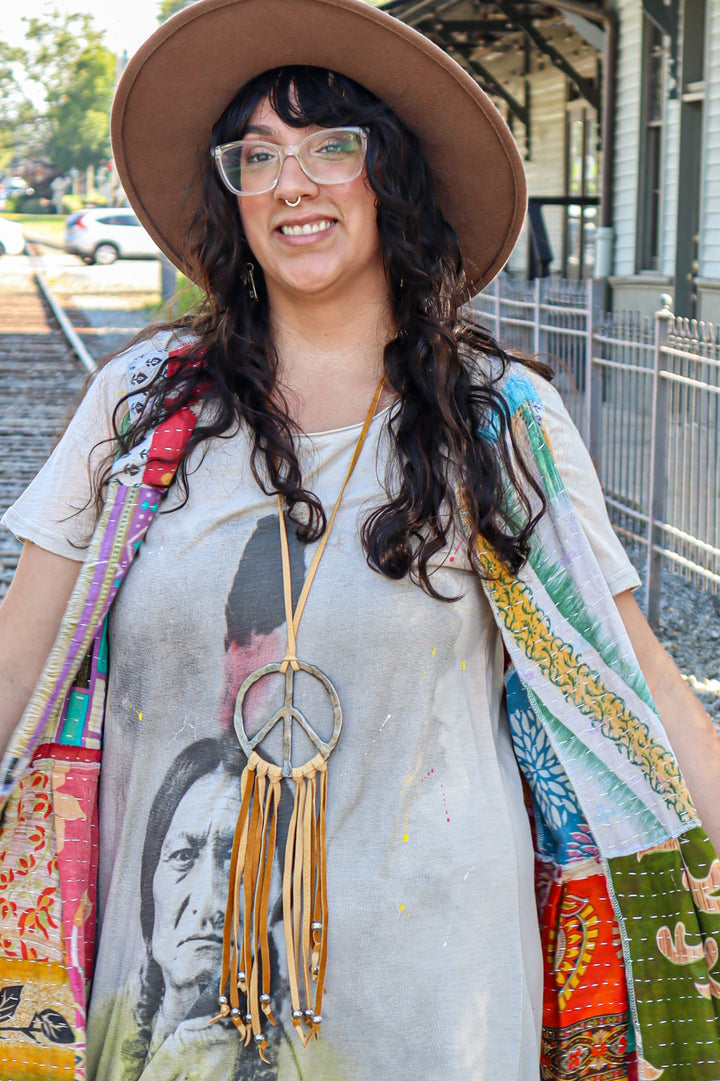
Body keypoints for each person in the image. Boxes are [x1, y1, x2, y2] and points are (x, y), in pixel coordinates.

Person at [1, 1, 720, 1079]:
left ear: (392, 176)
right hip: (171, 1027)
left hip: (442, 1016)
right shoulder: (142, 408)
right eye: (257, 156)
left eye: (333, 146)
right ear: (230, 193)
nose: (294, 182)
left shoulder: (501, 418)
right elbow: (20, 658)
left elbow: (637, 678)